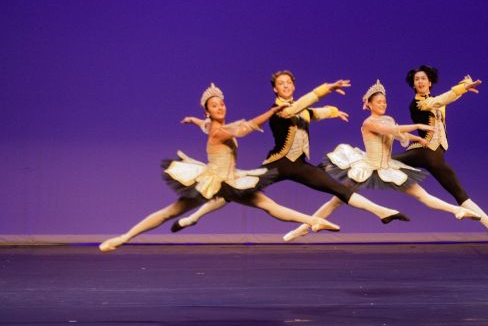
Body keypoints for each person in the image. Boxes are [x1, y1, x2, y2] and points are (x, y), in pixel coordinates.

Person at [98, 82, 340, 252]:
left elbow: (204, 125)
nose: (220, 107)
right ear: (208, 111)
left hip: (230, 180)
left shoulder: (210, 125)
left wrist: (193, 120)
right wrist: (271, 112)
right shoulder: (220, 131)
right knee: (169, 213)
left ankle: (312, 221)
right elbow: (243, 129)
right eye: (214, 106)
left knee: (268, 205)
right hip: (212, 182)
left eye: (222, 104)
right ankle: (123, 238)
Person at [170, 71, 410, 232]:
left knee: (337, 188)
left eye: (288, 83)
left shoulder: (301, 110)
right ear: (275, 90)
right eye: (280, 84)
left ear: (293, 85)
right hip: (278, 163)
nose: (285, 86)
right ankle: (193, 217)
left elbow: (313, 113)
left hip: (300, 165)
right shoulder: (280, 109)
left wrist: (334, 111)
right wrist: (326, 88)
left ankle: (382, 212)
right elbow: (303, 104)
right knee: (236, 189)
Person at [282, 80, 480, 242]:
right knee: (336, 201)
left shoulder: (389, 118)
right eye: (378, 102)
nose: (383, 104)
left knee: (423, 196)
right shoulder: (368, 122)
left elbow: (398, 132)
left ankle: (457, 211)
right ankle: (304, 228)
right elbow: (391, 131)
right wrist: (418, 125)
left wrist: (417, 138)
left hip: (387, 168)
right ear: (368, 104)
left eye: (384, 101)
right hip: (367, 167)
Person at [393, 65, 488, 242]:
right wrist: (462, 88)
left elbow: (445, 100)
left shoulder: (435, 100)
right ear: (413, 85)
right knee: (383, 162)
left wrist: (464, 86)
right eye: (417, 79)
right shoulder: (417, 104)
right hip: (424, 152)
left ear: (430, 82)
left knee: (459, 193)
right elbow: (440, 101)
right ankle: (353, 188)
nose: (420, 81)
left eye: (423, 78)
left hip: (436, 156)